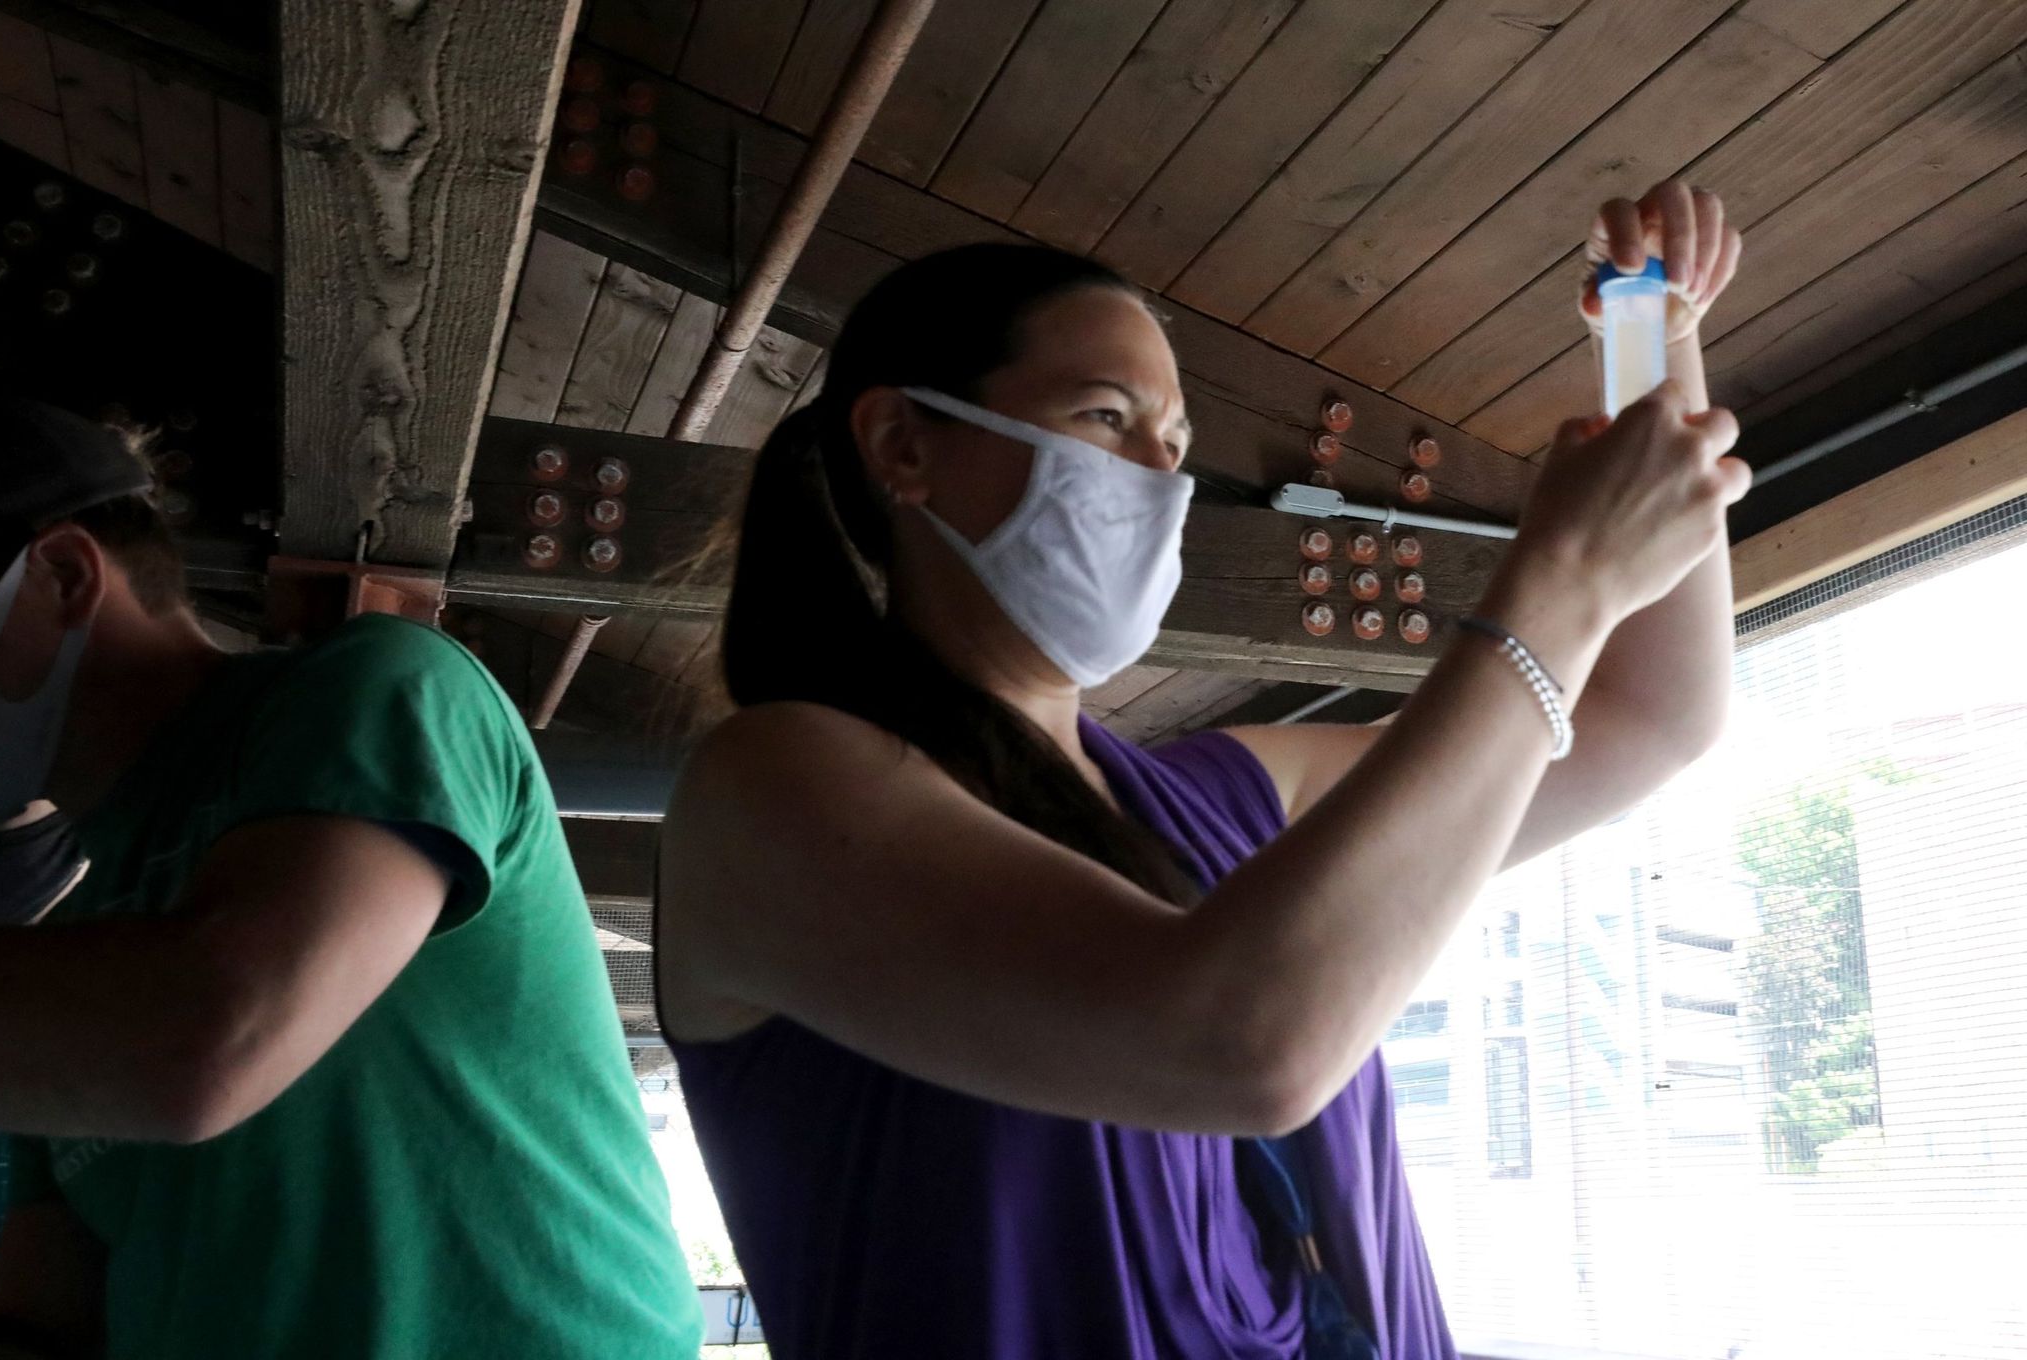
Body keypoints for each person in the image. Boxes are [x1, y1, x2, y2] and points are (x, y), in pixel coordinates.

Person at [655, 181, 1748, 1358]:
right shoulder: (772, 790)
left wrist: (1657, 338)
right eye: (1106, 416)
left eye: (1173, 440)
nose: (1157, 474)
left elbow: (1650, 714)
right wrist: (1562, 585)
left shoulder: (1222, 799)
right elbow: (1244, 1044)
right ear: (904, 446)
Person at [0, 397, 705, 1357]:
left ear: (63, 577)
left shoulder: (381, 689)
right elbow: (46, 1322)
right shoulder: (68, 957)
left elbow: (209, 1036)